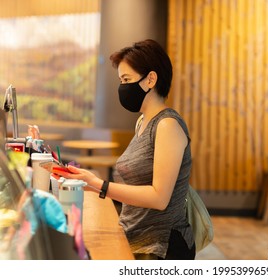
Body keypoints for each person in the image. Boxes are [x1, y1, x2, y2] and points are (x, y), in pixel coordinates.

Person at [56, 39, 195, 260]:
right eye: (121, 80)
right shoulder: (143, 122)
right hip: (134, 236)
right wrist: (92, 183)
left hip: (160, 246)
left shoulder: (168, 125)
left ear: (151, 79)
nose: (122, 87)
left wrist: (99, 185)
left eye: (127, 79)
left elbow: (159, 198)